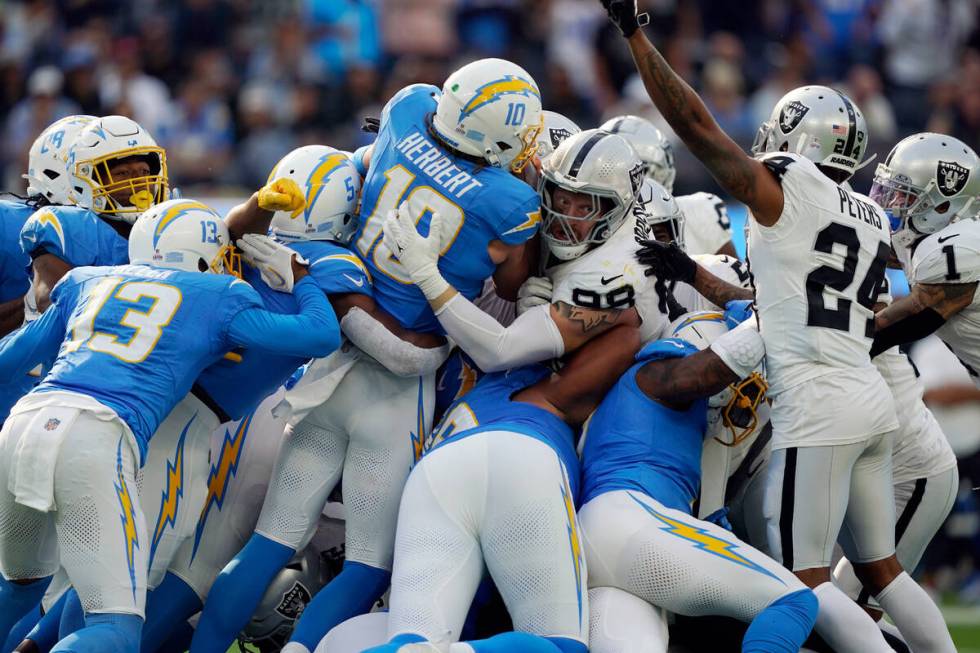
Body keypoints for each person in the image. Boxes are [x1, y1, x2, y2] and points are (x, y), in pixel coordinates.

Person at [599, 1, 954, 650]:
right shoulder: (866, 215)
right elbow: (780, 302)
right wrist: (691, 270)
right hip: (869, 402)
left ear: (797, 146)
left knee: (806, 582)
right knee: (884, 571)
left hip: (820, 407)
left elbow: (699, 126)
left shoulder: (793, 187)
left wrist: (635, 36)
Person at [0, 198, 339, 652]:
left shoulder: (86, 280)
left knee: (18, 588)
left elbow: (10, 361)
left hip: (26, 423)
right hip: (100, 435)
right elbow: (320, 334)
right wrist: (301, 279)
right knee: (114, 630)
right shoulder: (220, 296)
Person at [186, 146, 449, 653]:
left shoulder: (257, 241)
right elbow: (396, 352)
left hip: (319, 396)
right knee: (370, 568)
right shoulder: (335, 262)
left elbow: (236, 227)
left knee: (270, 541)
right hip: (384, 404)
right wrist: (449, 337)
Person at [366, 323, 643, 653]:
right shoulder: (540, 389)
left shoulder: (466, 391)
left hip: (434, 474)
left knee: (412, 640)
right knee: (557, 645)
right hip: (518, 456)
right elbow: (627, 336)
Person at [580, 310, 817, 653]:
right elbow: (710, 371)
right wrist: (767, 316)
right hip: (633, 522)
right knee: (794, 602)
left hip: (603, 542)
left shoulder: (636, 397)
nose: (743, 391)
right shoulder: (657, 373)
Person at [600, 114, 737, 257]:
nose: (618, 181)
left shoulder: (698, 213)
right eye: (608, 171)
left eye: (633, 172)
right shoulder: (584, 223)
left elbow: (736, 277)